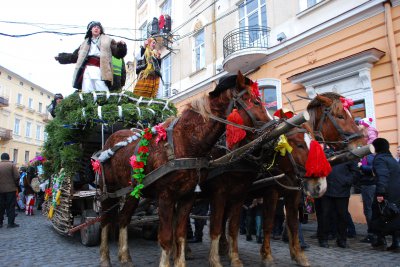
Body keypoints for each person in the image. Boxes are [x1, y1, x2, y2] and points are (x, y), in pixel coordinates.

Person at [55, 21, 127, 93]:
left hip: (100, 69)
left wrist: (121, 46)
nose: (96, 28)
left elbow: (118, 53)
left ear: (101, 30)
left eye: (98, 27)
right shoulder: (85, 43)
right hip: (87, 69)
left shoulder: (107, 40)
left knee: (102, 90)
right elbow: (75, 56)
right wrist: (61, 57)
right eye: (94, 27)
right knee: (87, 90)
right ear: (90, 29)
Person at [319, 160, 360, 248]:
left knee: (342, 216)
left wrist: (347, 181)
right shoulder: (327, 154)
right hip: (327, 190)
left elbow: (355, 172)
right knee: (325, 216)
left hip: (342, 191)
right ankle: (323, 239)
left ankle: (342, 239)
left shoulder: (349, 156)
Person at [370, 138, 400, 251]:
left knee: (379, 215)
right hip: (396, 193)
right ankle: (396, 242)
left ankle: (380, 241)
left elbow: (382, 176)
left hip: (386, 192)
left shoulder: (380, 159)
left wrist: (380, 193)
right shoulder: (391, 159)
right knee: (395, 216)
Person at [357, 153, 377, 243]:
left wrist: (361, 166)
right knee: (369, 210)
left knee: (368, 210)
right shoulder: (367, 157)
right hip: (367, 185)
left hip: (369, 185)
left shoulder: (369, 157)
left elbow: (372, 169)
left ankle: (372, 234)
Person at [0, 153, 20, 228]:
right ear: (8, 158)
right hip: (10, 189)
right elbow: (17, 176)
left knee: (0, 206)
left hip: (0, 190)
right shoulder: (12, 165)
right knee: (11, 206)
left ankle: (0, 222)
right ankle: (10, 223)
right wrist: (15, 184)